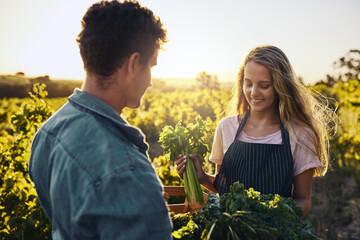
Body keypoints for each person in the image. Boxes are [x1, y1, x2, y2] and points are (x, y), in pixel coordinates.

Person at [28, 1, 172, 239]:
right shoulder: (129, 175)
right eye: (151, 67)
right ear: (134, 64)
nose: (150, 80)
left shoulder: (48, 132)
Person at [176, 45, 335, 214]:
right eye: (248, 83)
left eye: (264, 85)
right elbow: (223, 187)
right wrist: (202, 177)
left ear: (281, 86)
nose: (253, 92)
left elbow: (303, 200)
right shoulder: (226, 127)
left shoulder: (300, 135)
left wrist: (272, 216)